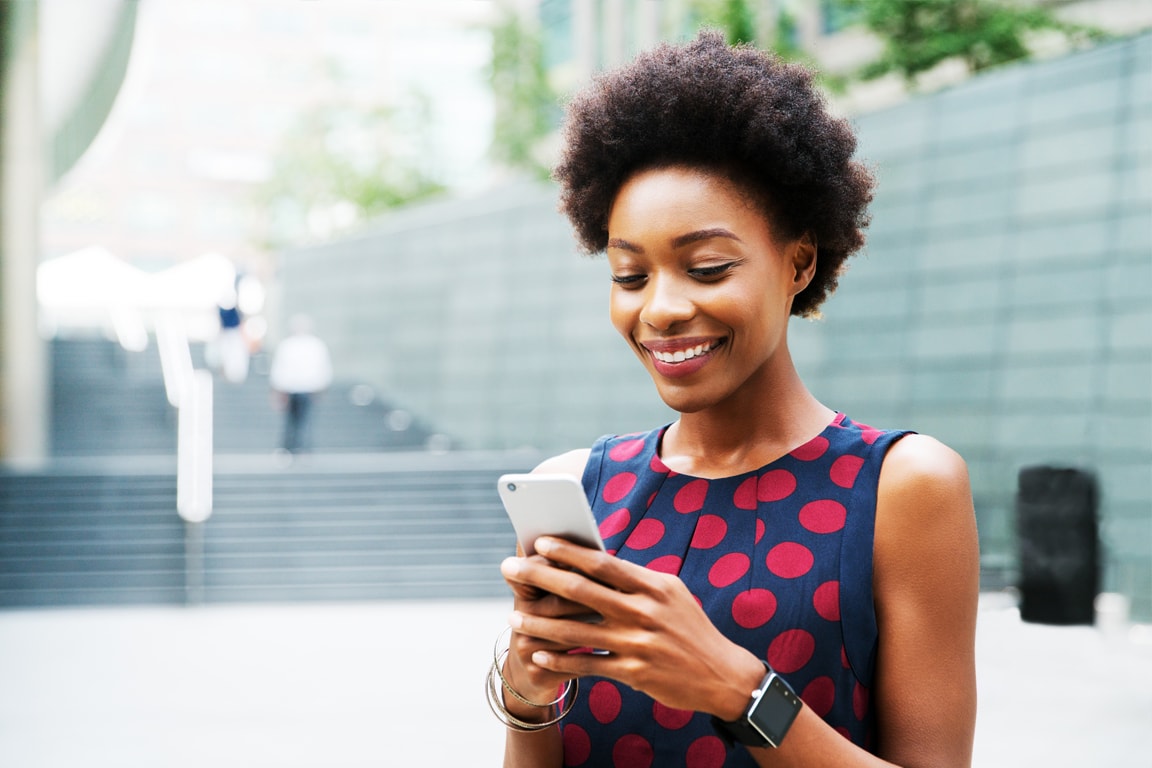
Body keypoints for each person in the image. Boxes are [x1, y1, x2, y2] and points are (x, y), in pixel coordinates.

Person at [491, 31, 979, 768]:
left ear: (798, 263)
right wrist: (527, 696)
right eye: (630, 276)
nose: (660, 309)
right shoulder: (580, 488)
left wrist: (740, 693)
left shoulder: (902, 488)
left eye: (708, 267)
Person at [268, 314, 333, 454]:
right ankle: (290, 447)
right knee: (293, 420)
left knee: (304, 420)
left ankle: (301, 448)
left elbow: (322, 367)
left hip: (307, 388)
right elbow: (280, 369)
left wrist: (320, 386)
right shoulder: (289, 345)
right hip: (292, 388)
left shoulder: (314, 345)